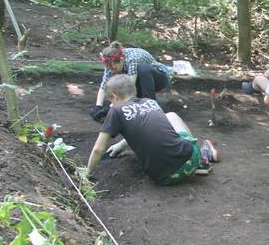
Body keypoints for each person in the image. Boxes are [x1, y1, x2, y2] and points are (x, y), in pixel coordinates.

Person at [82, 74, 219, 185]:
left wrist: (87, 173)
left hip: (164, 177)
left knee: (166, 120)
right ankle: (201, 160)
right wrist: (121, 145)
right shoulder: (150, 102)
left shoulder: (116, 110)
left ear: (114, 97)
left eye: (110, 101)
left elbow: (98, 149)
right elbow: (149, 129)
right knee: (170, 116)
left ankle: (200, 158)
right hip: (190, 160)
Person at [91, 42, 172, 121]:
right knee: (123, 81)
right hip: (141, 80)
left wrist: (111, 108)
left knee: (143, 69)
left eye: (114, 69)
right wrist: (98, 106)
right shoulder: (110, 62)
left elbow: (129, 88)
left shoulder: (133, 59)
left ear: (121, 60)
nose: (112, 71)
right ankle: (137, 105)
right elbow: (104, 85)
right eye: (109, 69)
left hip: (160, 79)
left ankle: (151, 108)